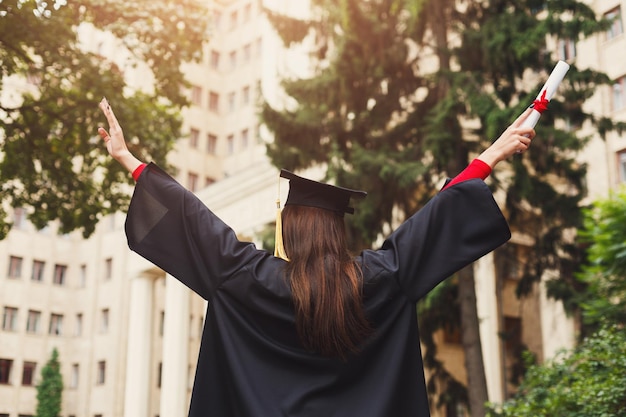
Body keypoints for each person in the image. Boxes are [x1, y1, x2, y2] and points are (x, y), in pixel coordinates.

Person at [97, 97, 534, 417]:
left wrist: (129, 160)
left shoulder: (247, 276)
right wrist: (492, 154)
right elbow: (435, 220)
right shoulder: (378, 278)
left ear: (292, 229)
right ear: (334, 229)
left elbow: (191, 217)